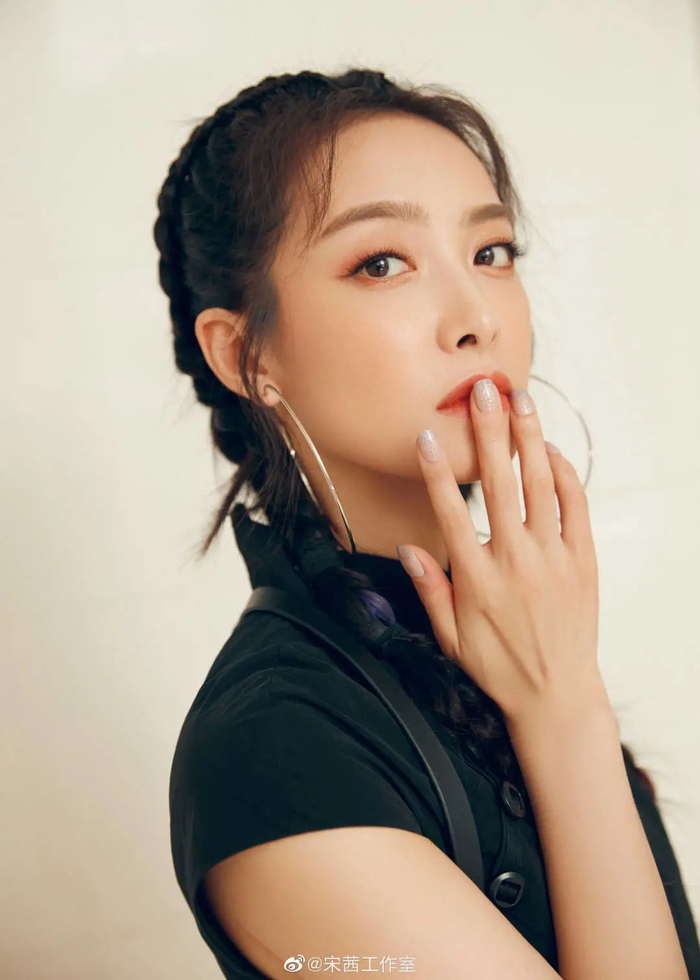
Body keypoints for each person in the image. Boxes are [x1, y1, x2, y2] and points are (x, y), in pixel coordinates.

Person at [156, 68, 699, 979]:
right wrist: (564, 711)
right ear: (245, 353)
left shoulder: (514, 640)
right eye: (382, 263)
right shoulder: (274, 752)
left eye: (492, 251)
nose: (478, 316)